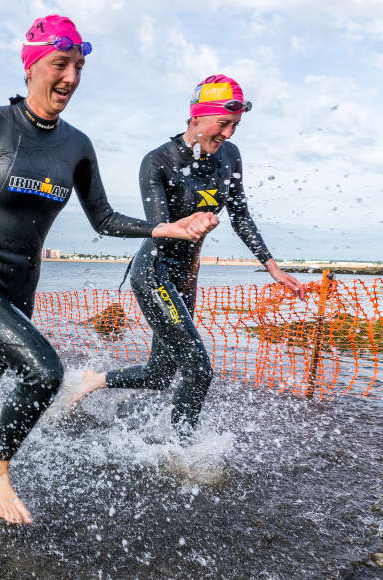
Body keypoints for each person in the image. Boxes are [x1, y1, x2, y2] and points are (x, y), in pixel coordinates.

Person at [0, 14, 218, 525]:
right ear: (31, 67)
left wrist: (165, 229)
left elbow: (105, 218)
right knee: (44, 372)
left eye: (78, 67)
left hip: (20, 289)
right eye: (60, 64)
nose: (70, 77)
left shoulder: (77, 146)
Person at [70, 74, 305, 435]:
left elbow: (240, 216)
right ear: (196, 117)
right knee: (199, 368)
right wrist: (188, 224)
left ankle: (93, 380)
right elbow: (161, 229)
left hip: (185, 278)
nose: (228, 134)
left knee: (160, 374)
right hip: (154, 272)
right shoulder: (158, 161)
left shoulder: (230, 156)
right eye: (223, 124)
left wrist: (273, 268)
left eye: (235, 126)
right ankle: (179, 451)